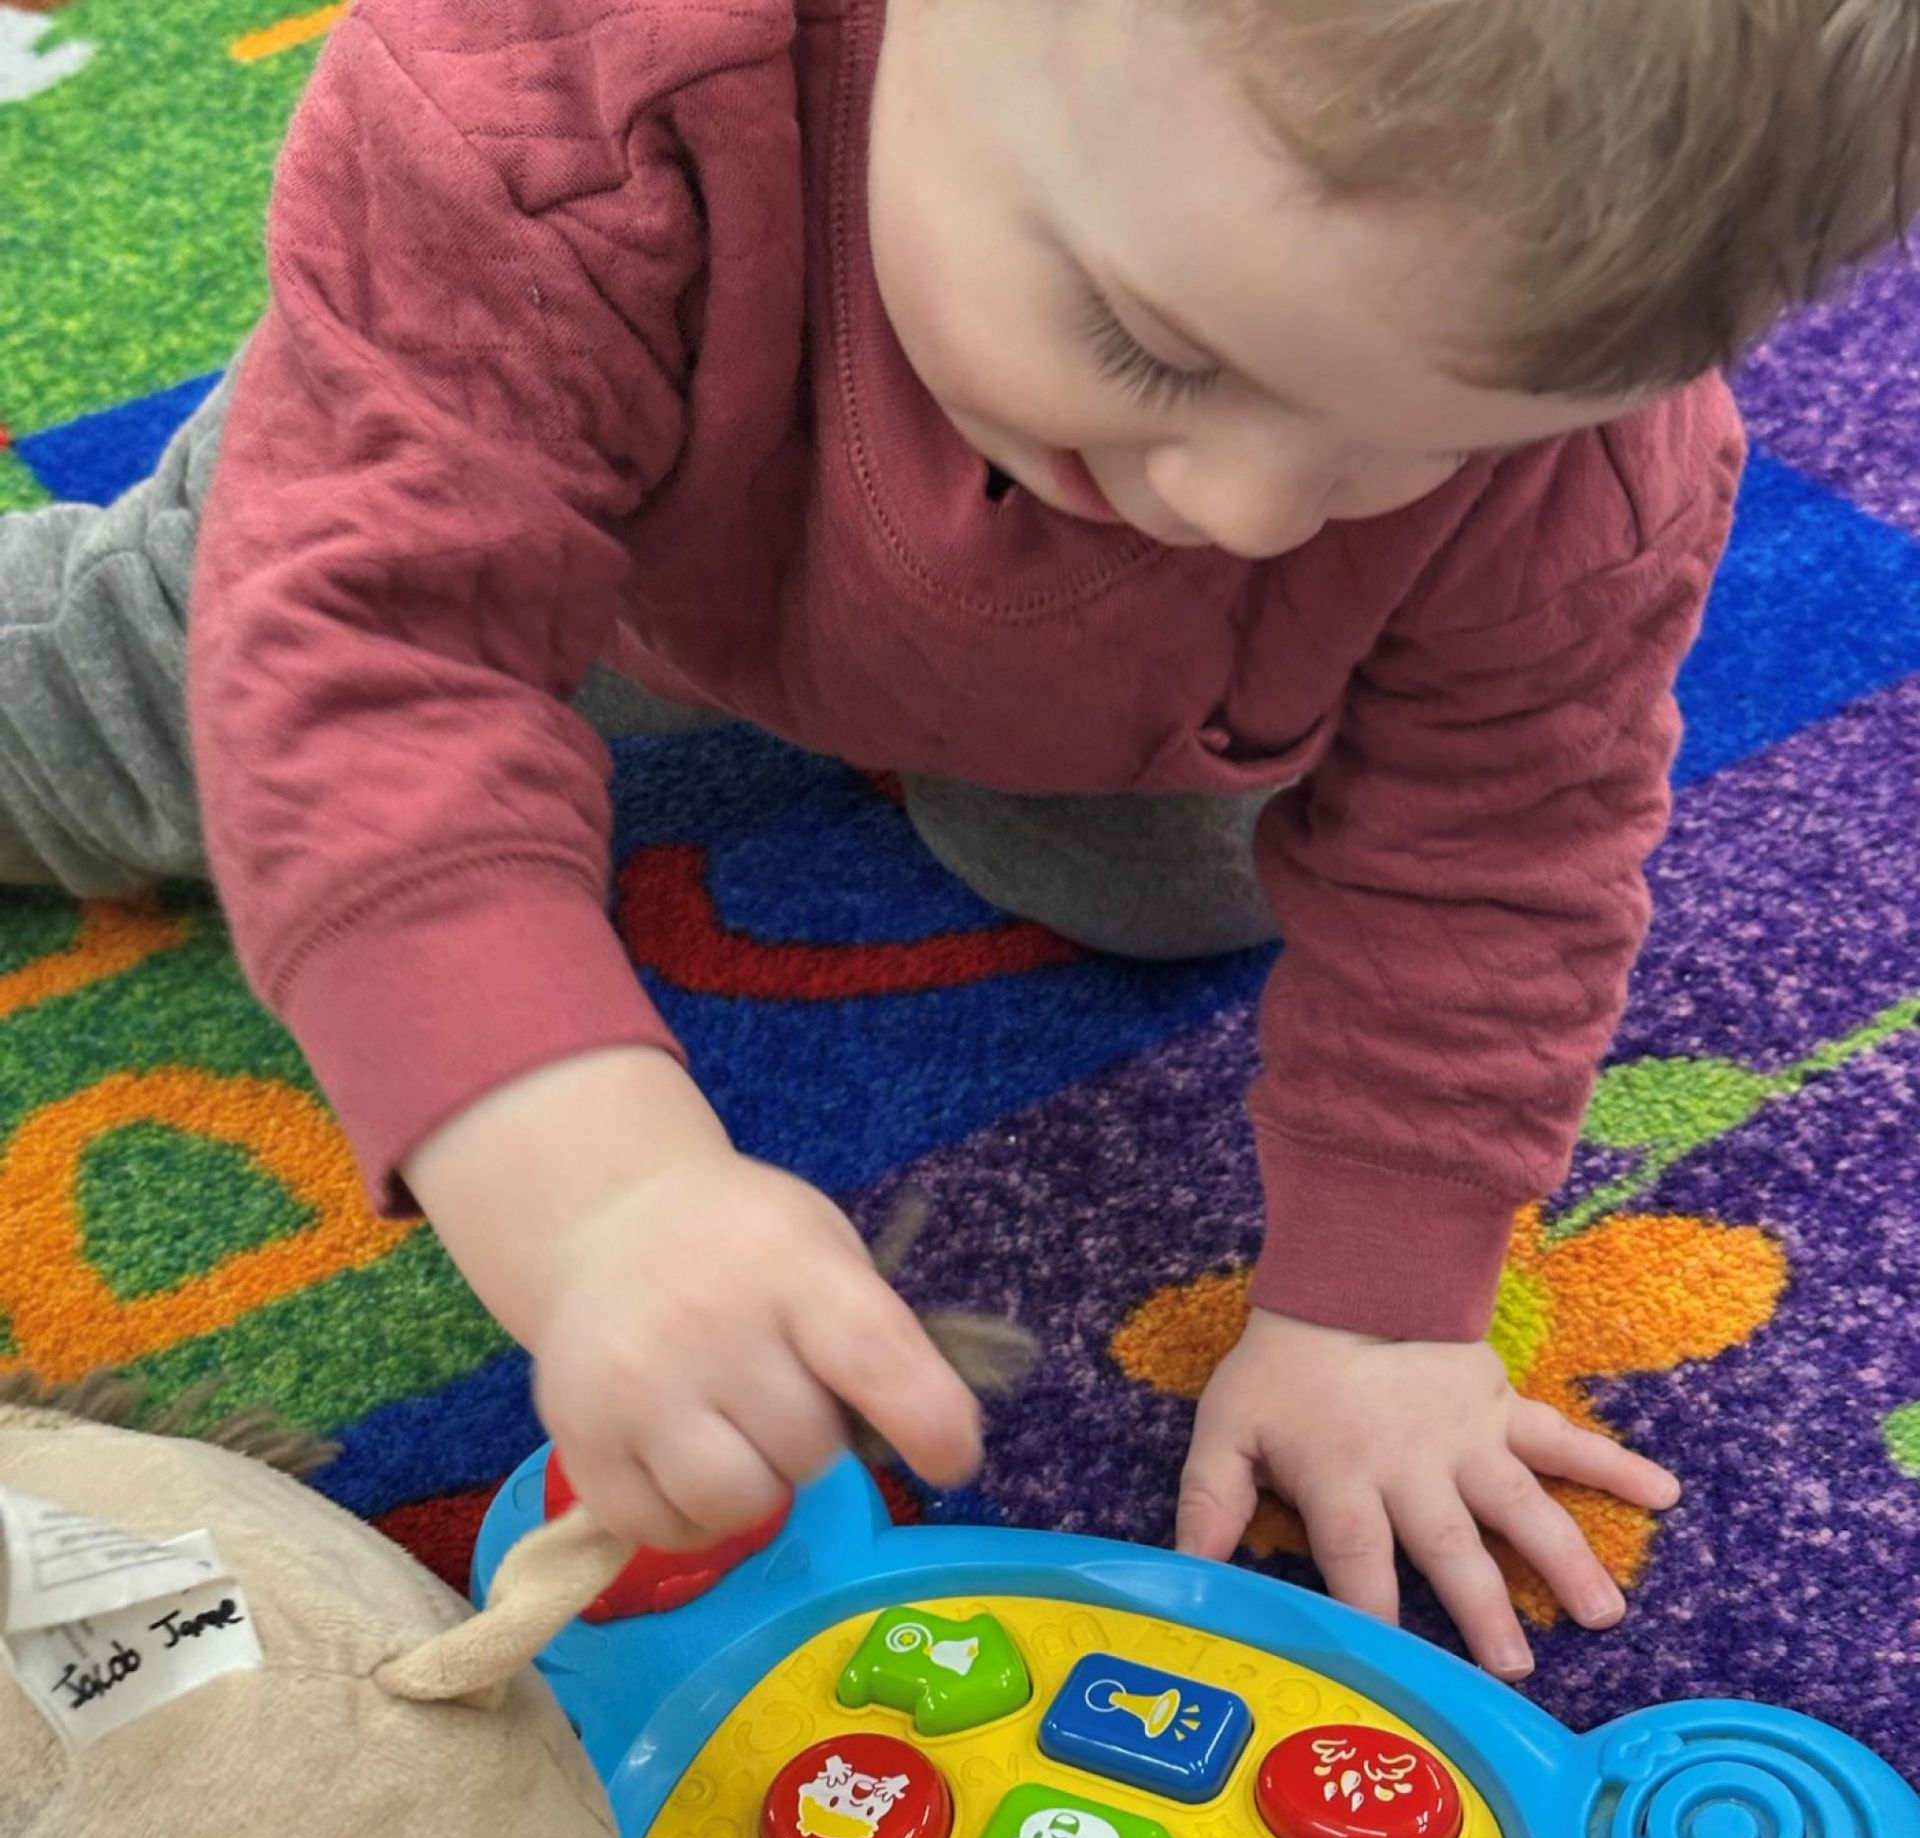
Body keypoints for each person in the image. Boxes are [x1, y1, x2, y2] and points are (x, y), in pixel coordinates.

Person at [0, 0, 1912, 1679]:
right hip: (532, 477)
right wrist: (595, 1195)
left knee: (1180, 893)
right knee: (164, 715)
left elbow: (1495, 849)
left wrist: (1385, 1311)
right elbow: (381, 661)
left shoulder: (1576, 458)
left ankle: (968, 616)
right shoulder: (546, 114)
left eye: (1406, 444)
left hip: (1044, 672)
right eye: (1156, 347)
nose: (1243, 510)